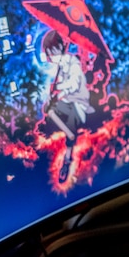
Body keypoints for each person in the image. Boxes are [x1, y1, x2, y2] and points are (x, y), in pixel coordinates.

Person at [41, 30, 95, 182]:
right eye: (49, 53)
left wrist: (58, 89)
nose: (51, 56)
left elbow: (73, 85)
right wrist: (53, 96)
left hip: (79, 103)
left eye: (53, 51)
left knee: (71, 116)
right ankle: (69, 134)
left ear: (60, 48)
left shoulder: (74, 64)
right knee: (48, 110)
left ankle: (68, 156)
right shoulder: (61, 66)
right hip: (66, 101)